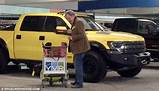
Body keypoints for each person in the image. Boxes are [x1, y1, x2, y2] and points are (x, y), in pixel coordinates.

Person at [65, 10, 90, 88]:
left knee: (78, 66)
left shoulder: (79, 22)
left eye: (69, 18)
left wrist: (72, 37)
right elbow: (76, 31)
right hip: (77, 49)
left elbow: (82, 35)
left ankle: (79, 84)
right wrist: (70, 31)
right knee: (76, 66)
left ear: (72, 16)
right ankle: (77, 81)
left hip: (80, 48)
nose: (68, 20)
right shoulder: (74, 22)